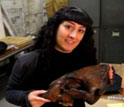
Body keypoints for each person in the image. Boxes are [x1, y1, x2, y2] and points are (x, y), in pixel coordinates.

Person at [5, 6, 114, 107]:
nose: (73, 35)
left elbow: (89, 93)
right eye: (68, 27)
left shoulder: (85, 58)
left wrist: (106, 77)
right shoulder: (29, 61)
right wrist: (26, 97)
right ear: (55, 27)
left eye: (80, 30)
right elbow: (10, 93)